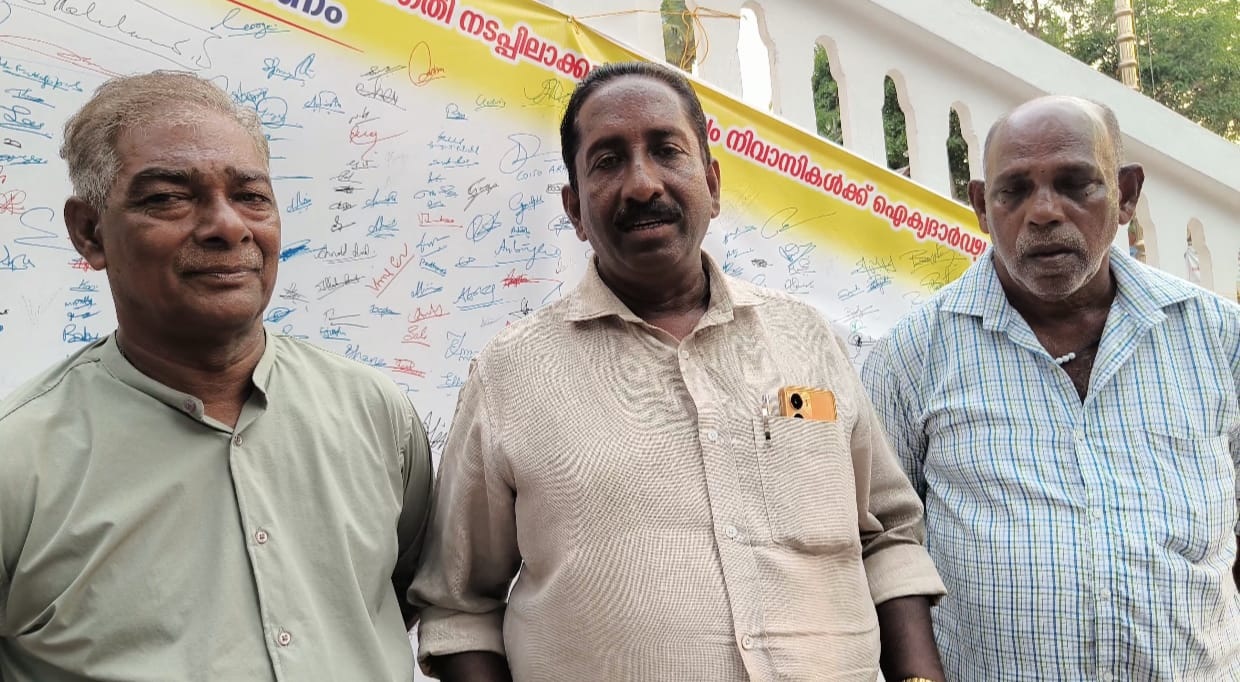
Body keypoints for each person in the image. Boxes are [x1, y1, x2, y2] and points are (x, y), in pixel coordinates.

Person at [411, 61, 946, 682]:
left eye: (667, 150)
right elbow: (458, 607)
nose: (642, 185)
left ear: (713, 185)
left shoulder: (809, 339)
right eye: (607, 161)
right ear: (575, 209)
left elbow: (888, 539)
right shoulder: (509, 375)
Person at [0, 72, 434, 681]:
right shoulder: (18, 459)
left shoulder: (373, 412)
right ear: (90, 232)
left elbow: (397, 593)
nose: (228, 227)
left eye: (252, 196)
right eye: (168, 198)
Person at [861, 95, 1240, 681]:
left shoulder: (1218, 338)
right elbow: (885, 542)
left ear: (1126, 196)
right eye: (1015, 191)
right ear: (983, 207)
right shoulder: (913, 355)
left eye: (1075, 183)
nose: (1044, 212)